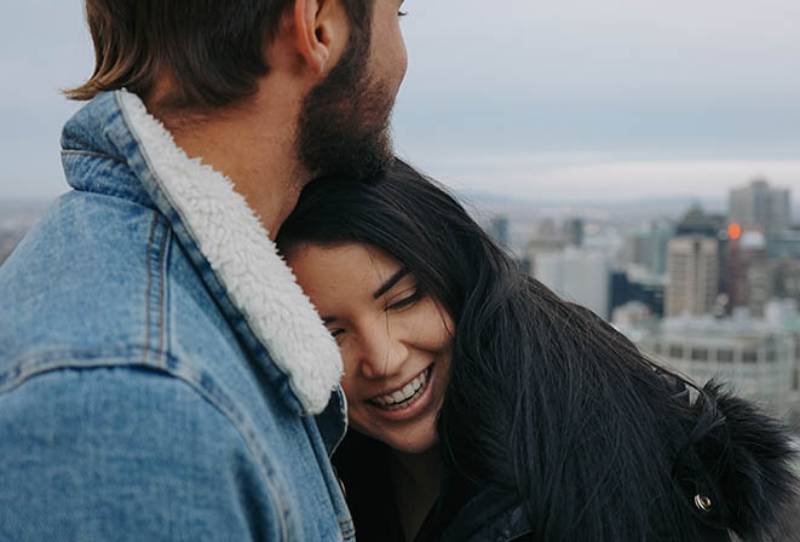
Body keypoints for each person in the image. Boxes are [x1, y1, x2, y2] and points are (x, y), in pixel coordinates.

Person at [0, 1, 408, 539]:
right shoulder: (138, 405)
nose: (402, 56)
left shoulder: (158, 330)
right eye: (398, 15)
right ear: (316, 26)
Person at [277, 159, 799, 542]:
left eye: (405, 300)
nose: (384, 358)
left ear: (460, 280)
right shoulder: (325, 463)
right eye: (331, 332)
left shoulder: (598, 467)